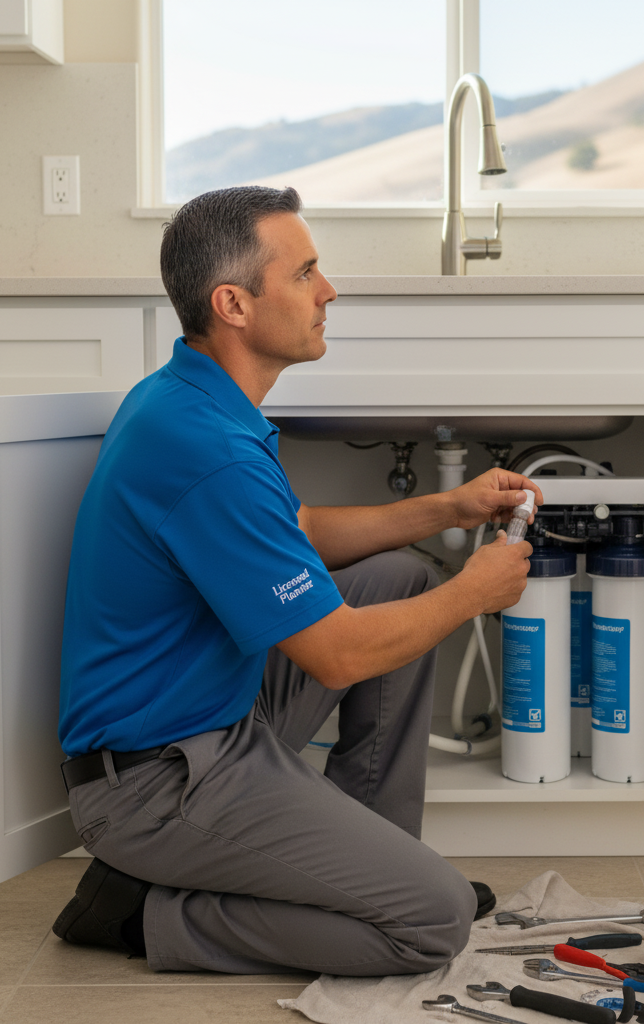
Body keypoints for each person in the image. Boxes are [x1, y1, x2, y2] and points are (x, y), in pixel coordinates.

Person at [51, 185, 541, 976]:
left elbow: (294, 533)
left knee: (399, 580)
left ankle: (360, 860)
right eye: (306, 272)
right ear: (234, 304)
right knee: (432, 923)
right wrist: (476, 591)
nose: (329, 289)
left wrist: (448, 505)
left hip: (216, 719)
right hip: (155, 783)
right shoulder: (206, 448)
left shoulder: (194, 402)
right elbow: (338, 657)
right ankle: (146, 913)